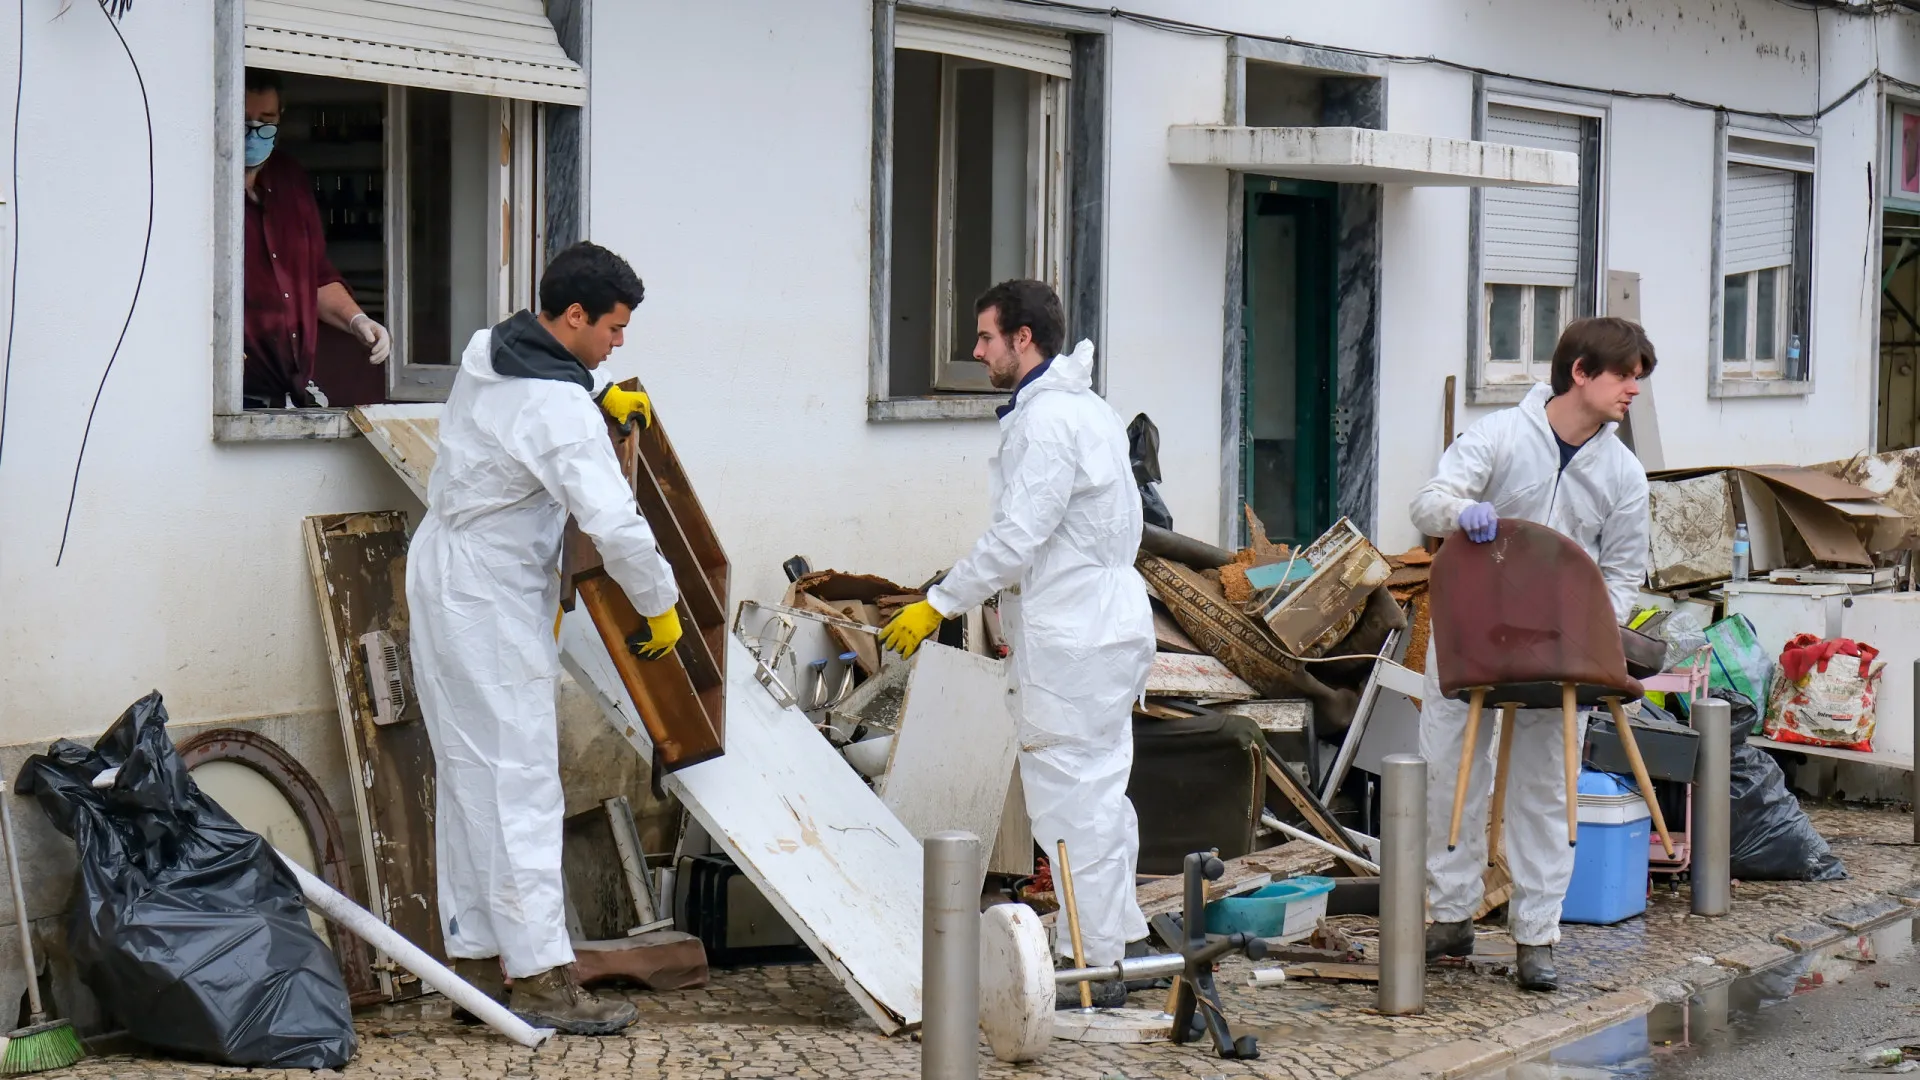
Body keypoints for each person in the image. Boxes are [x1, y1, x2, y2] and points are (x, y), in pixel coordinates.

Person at [405, 242, 674, 1035]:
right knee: (519, 780)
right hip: (488, 596)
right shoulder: (557, 410)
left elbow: (530, 410)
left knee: (468, 775)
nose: (617, 344)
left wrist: (595, 393)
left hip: (446, 572)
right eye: (612, 329)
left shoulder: (493, 352)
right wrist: (658, 603)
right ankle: (543, 979)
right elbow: (615, 524)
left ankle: (477, 969)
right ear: (574, 316)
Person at [878, 279, 1155, 1009]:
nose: (976, 352)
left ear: (1022, 339)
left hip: (1074, 638)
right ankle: (1116, 944)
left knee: (1069, 802)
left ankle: (1091, 965)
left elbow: (1016, 539)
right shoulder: (1085, 408)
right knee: (1101, 793)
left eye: (985, 337)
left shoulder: (1049, 422)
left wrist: (938, 602)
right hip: (1104, 628)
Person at [1409, 316, 1656, 992]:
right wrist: (1459, 514)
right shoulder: (1499, 435)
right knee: (1450, 775)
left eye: (1638, 376)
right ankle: (1450, 916)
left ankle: (1536, 935)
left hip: (1559, 649)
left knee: (1546, 788)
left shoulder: (1623, 473)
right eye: (1624, 374)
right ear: (1580, 371)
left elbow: (1623, 571)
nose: (1633, 389)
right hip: (1472, 632)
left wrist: (1591, 631)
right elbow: (1428, 503)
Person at [240, 68, 390, 408]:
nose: (254, 130)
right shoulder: (206, 185)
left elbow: (316, 277)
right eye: (245, 120)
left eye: (266, 120)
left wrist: (357, 320)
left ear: (281, 117)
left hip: (289, 394)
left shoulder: (290, 180)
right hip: (231, 396)